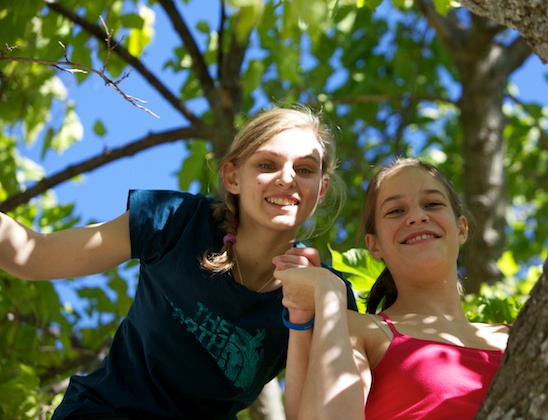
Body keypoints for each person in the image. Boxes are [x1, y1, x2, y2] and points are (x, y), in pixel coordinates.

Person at [0, 105, 357, 419]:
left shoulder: (327, 294)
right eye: (267, 164)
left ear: (321, 189)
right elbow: (33, 255)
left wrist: (308, 315)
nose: (288, 178)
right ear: (232, 176)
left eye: (305, 169)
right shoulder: (175, 221)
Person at [274, 157, 510, 420]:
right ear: (374, 245)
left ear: (461, 228)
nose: (418, 217)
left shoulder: (520, 337)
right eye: (396, 211)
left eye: (432, 204)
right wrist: (328, 292)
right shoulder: (358, 330)